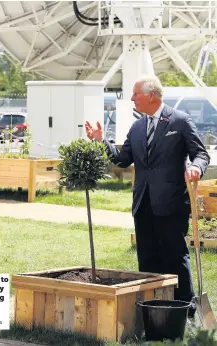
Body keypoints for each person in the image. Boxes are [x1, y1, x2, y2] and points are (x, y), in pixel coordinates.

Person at [85, 76, 210, 317]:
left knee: (175, 255)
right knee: (147, 257)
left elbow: (201, 154)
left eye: (135, 94)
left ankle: (186, 308)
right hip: (143, 204)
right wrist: (101, 141)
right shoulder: (137, 127)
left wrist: (196, 167)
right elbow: (122, 159)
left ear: (151, 95)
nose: (132, 98)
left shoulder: (180, 121)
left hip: (172, 202)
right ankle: (153, 308)